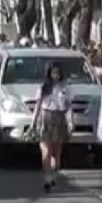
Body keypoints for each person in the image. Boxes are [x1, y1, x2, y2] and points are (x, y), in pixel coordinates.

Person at [27, 63, 74, 193]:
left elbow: (69, 106)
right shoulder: (43, 88)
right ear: (49, 74)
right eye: (53, 73)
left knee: (56, 154)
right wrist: (33, 123)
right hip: (45, 118)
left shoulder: (65, 88)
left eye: (57, 73)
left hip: (59, 118)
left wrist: (71, 122)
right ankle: (47, 178)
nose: (55, 76)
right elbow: (37, 106)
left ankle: (54, 174)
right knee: (46, 152)